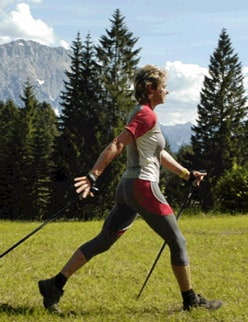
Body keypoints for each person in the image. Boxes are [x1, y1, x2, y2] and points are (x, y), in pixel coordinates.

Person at [38, 65, 223, 313]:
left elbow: (159, 154)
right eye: (163, 87)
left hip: (128, 188)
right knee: (177, 241)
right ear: (150, 89)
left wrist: (187, 175)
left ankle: (54, 284)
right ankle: (190, 301)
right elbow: (118, 143)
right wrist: (94, 175)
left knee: (104, 240)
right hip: (143, 187)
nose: (167, 91)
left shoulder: (143, 115)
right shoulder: (146, 115)